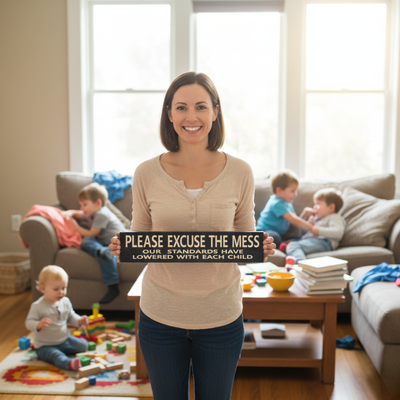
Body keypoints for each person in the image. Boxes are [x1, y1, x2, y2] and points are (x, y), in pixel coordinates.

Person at [108, 72, 276, 400]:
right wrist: (124, 244)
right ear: (169, 114)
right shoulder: (145, 172)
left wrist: (260, 246)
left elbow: (244, 238)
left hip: (221, 316)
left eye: (201, 106)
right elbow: (141, 234)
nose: (191, 117)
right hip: (159, 316)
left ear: (215, 111)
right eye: (181, 107)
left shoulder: (240, 171)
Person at [63, 182, 125, 304]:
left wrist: (75, 226)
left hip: (119, 241)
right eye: (81, 205)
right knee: (86, 242)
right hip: (104, 243)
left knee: (89, 239)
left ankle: (113, 287)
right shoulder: (92, 212)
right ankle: (101, 251)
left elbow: (92, 233)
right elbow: (79, 213)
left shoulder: (102, 214)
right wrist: (69, 213)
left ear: (98, 203)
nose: (82, 208)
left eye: (84, 204)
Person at [25, 265, 89, 371]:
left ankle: (65, 351)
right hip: (45, 346)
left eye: (64, 288)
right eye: (56, 289)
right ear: (43, 288)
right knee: (56, 356)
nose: (61, 292)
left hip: (64, 340)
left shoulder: (65, 302)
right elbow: (28, 322)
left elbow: (71, 316)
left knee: (83, 346)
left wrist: (79, 320)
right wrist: (38, 324)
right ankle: (70, 364)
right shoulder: (37, 306)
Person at [255, 169, 316, 249]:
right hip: (265, 232)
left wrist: (304, 215)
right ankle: (284, 244)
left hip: (281, 233)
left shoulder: (288, 204)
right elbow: (294, 220)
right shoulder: (276, 203)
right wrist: (312, 228)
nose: (296, 194)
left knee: (299, 236)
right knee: (274, 237)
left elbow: (295, 222)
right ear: (279, 190)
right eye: (292, 191)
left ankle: (284, 244)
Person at [286, 188, 346, 262]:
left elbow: (338, 233)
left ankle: (300, 266)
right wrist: (307, 221)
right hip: (311, 240)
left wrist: (318, 231)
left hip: (324, 242)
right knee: (291, 243)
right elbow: (303, 233)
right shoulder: (316, 219)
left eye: (318, 204)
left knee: (293, 246)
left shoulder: (334, 217)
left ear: (331, 207)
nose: (314, 207)